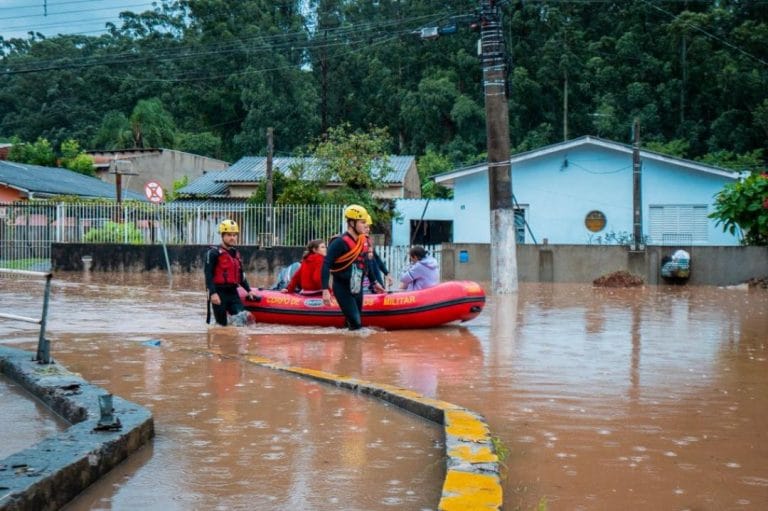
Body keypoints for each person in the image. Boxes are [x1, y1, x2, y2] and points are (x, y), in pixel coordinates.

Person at [321, 204, 383, 330]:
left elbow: (365, 263)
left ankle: (348, 348)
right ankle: (353, 347)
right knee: (356, 323)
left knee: (352, 321)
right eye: (362, 222)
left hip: (357, 287)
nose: (366, 225)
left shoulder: (362, 241)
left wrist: (374, 281)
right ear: (351, 223)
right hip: (342, 287)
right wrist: (325, 290)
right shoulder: (339, 242)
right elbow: (326, 264)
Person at [205, 219, 259, 326]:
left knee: (243, 320)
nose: (232, 238)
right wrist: (213, 293)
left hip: (233, 293)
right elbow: (208, 275)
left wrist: (248, 290)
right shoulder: (213, 253)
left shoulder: (235, 253)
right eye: (229, 235)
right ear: (222, 236)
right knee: (222, 326)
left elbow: (241, 276)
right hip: (219, 292)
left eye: (234, 235)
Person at [361, 213, 392, 293]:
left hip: (373, 281)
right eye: (365, 227)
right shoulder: (355, 244)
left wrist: (387, 273)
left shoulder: (368, 242)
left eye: (368, 227)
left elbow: (377, 259)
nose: (368, 229)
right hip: (364, 283)